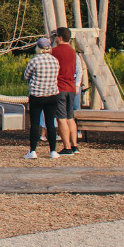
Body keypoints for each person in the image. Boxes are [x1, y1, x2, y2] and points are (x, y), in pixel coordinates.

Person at [23, 37, 61, 159]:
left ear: (38, 48)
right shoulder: (55, 60)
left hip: (37, 95)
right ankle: (53, 151)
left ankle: (33, 151)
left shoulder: (35, 61)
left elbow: (26, 75)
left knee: (35, 123)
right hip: (52, 94)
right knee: (50, 123)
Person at [50, 27, 81, 156]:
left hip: (60, 87)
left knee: (61, 118)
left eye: (56, 36)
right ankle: (75, 145)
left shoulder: (55, 51)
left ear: (60, 37)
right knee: (70, 117)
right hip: (71, 87)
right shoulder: (74, 52)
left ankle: (66, 147)